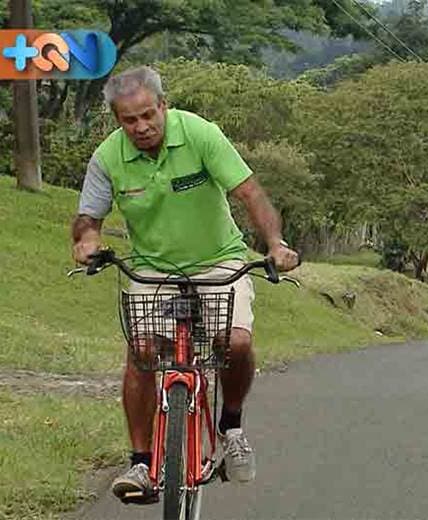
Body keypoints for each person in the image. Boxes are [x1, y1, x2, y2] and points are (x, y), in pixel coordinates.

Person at [71, 66, 299, 502]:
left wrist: (275, 244)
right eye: (129, 120)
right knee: (141, 352)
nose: (141, 126)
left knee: (234, 343)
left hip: (219, 261)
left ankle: (231, 427)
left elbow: (250, 193)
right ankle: (141, 462)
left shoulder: (200, 134)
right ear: (118, 120)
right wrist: (87, 241)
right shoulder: (107, 157)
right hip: (152, 268)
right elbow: (88, 217)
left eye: (148, 115)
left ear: (163, 106)